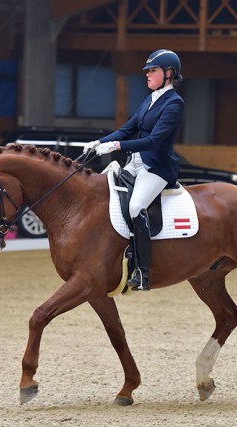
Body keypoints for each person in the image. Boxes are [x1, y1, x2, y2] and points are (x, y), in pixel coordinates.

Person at [83, 49, 185, 291]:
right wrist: (100, 142)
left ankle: (142, 271)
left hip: (157, 167)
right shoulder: (149, 100)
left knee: (136, 206)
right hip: (135, 163)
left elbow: (154, 141)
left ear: (168, 74)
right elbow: (127, 129)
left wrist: (117, 145)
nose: (147, 75)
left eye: (153, 71)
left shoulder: (174, 103)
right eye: (148, 71)